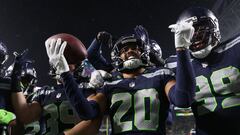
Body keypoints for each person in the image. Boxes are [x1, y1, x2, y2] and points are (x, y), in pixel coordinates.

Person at [45, 27, 196, 135]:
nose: (129, 51)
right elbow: (87, 112)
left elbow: (183, 99)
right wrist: (65, 73)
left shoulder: (160, 75)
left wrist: (182, 50)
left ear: (144, 52)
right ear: (117, 57)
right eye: (124, 50)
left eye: (134, 48)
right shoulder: (110, 84)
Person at [166, 6, 240, 135]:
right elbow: (180, 102)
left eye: (200, 30)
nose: (196, 36)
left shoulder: (235, 47)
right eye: (190, 32)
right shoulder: (174, 64)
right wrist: (181, 50)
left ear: (214, 28)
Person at [10, 39, 99, 135]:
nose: (63, 63)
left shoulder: (86, 89)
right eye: (62, 60)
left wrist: (65, 74)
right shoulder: (45, 92)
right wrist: (16, 78)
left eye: (67, 61)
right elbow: (25, 116)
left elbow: (90, 118)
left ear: (77, 66)